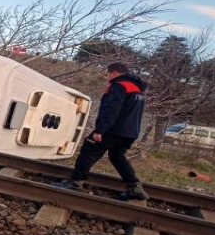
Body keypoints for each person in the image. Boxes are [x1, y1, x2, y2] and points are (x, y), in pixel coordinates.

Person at [54, 62, 149, 201]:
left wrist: (100, 131)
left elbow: (111, 110)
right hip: (130, 132)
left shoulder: (119, 86)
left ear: (114, 73)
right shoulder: (137, 89)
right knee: (117, 156)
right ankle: (135, 188)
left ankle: (75, 182)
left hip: (113, 130)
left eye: (107, 74)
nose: (107, 77)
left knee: (89, 150)